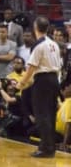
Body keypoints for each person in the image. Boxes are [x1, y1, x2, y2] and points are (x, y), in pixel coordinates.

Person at [18, 16, 63, 158]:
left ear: (35, 28)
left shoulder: (38, 45)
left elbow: (31, 68)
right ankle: (49, 147)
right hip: (54, 79)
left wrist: (21, 83)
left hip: (43, 80)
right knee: (50, 114)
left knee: (42, 114)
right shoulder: (54, 44)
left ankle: (46, 148)